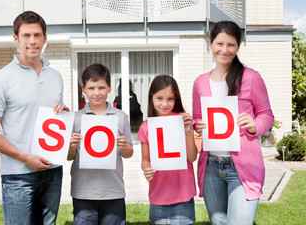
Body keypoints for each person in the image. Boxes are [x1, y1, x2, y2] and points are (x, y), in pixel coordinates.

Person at [0, 11, 69, 225]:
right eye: (26, 35)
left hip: (52, 170)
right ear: (16, 38)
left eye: (37, 35)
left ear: (45, 38)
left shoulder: (55, 77)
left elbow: (54, 121)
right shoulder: (0, 79)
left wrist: (64, 114)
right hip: (18, 174)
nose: (32, 41)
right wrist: (24, 157)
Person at [192, 21, 274, 224]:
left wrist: (255, 125)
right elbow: (196, 118)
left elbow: (266, 115)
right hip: (211, 165)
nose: (225, 50)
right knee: (218, 221)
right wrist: (198, 125)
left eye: (231, 44)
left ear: (238, 46)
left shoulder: (251, 78)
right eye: (220, 43)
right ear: (210, 44)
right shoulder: (200, 82)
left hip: (243, 166)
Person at [67, 63, 134, 225]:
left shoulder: (120, 116)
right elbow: (69, 157)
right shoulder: (75, 118)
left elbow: (128, 153)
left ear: (109, 88)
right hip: (83, 191)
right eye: (91, 88)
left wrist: (124, 147)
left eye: (101, 87)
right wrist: (71, 146)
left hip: (113, 190)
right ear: (83, 89)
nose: (96, 93)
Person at [137, 75, 197, 224]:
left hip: (183, 193)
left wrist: (188, 131)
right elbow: (145, 161)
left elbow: (192, 157)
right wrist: (146, 169)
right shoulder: (146, 127)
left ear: (176, 99)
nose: (165, 104)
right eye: (159, 98)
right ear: (151, 97)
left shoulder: (183, 121)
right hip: (159, 194)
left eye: (170, 99)